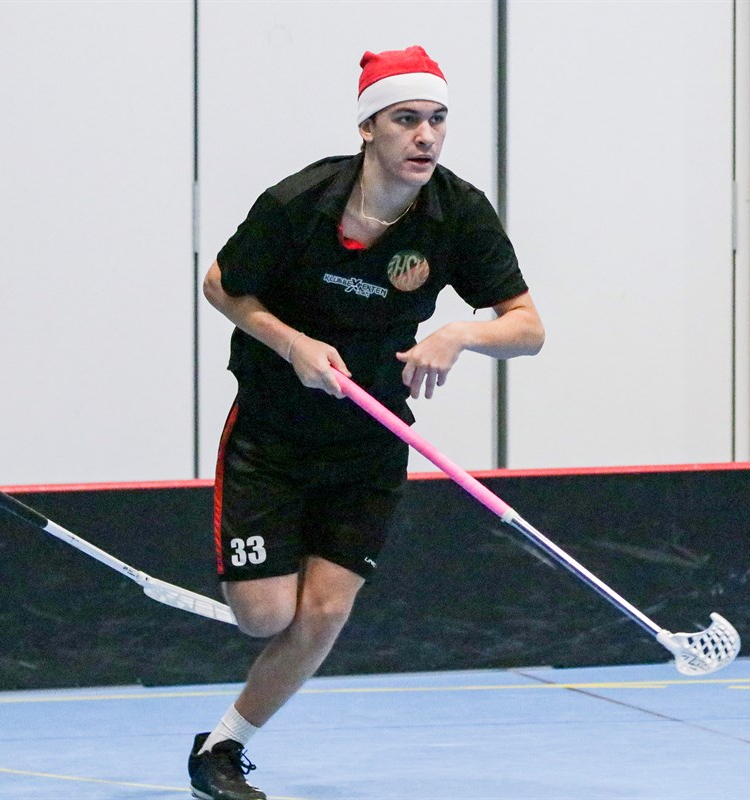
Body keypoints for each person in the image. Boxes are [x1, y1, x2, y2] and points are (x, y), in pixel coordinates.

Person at [192, 45, 544, 800]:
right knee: (264, 617)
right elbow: (220, 284)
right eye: (406, 119)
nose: (425, 136)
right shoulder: (298, 203)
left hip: (371, 440)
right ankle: (257, 581)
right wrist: (291, 344)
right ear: (367, 128)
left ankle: (222, 747)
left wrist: (461, 334)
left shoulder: (458, 213)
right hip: (272, 433)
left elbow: (528, 327)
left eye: (437, 119)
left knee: (322, 614)